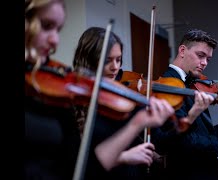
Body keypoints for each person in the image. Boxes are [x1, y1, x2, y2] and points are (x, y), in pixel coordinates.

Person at [72, 26, 175, 179]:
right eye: (108, 61)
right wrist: (124, 157)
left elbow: (147, 138)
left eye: (118, 60)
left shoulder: (121, 99)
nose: (115, 67)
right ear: (90, 60)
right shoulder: (74, 98)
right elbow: (77, 160)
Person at [150, 29, 218, 180]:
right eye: (200, 56)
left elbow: (204, 135)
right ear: (182, 50)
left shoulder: (192, 85)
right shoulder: (168, 86)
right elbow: (181, 142)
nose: (204, 63)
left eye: (208, 59)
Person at [25, 0, 81, 180]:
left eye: (58, 30)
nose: (55, 40)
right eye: (46, 26)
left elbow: (75, 163)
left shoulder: (54, 90)